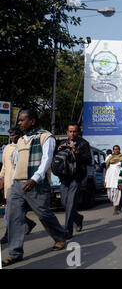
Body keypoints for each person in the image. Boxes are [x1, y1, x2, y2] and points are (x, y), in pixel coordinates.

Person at [2, 110, 66, 267]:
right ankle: (15, 253)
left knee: (43, 213)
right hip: (17, 184)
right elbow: (16, 162)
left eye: (22, 120)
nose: (19, 123)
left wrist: (34, 178)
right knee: (14, 217)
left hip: (35, 183)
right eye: (19, 121)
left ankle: (60, 237)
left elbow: (46, 160)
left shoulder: (46, 137)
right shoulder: (20, 140)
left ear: (32, 121)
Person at [0, 127, 37, 245]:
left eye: (15, 135)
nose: (12, 137)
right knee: (11, 211)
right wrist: (1, 177)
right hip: (9, 183)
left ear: (20, 135)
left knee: (11, 212)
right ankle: (28, 223)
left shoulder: (24, 147)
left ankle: (8, 234)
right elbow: (5, 166)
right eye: (11, 135)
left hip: (21, 183)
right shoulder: (7, 148)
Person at [57, 122, 92, 239]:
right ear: (67, 132)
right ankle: (78, 218)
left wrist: (77, 152)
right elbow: (58, 159)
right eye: (70, 131)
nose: (72, 134)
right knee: (64, 203)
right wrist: (59, 150)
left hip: (76, 178)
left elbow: (88, 160)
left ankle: (67, 231)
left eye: (75, 131)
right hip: (64, 177)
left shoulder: (84, 144)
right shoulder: (62, 143)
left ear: (78, 132)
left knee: (71, 204)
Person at [105, 145, 122, 215]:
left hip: (117, 180)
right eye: (115, 149)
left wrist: (121, 180)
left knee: (117, 194)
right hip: (109, 180)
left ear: (119, 150)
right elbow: (107, 170)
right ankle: (118, 203)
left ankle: (116, 208)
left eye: (117, 149)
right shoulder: (109, 159)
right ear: (113, 150)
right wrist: (105, 180)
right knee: (110, 196)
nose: (116, 150)